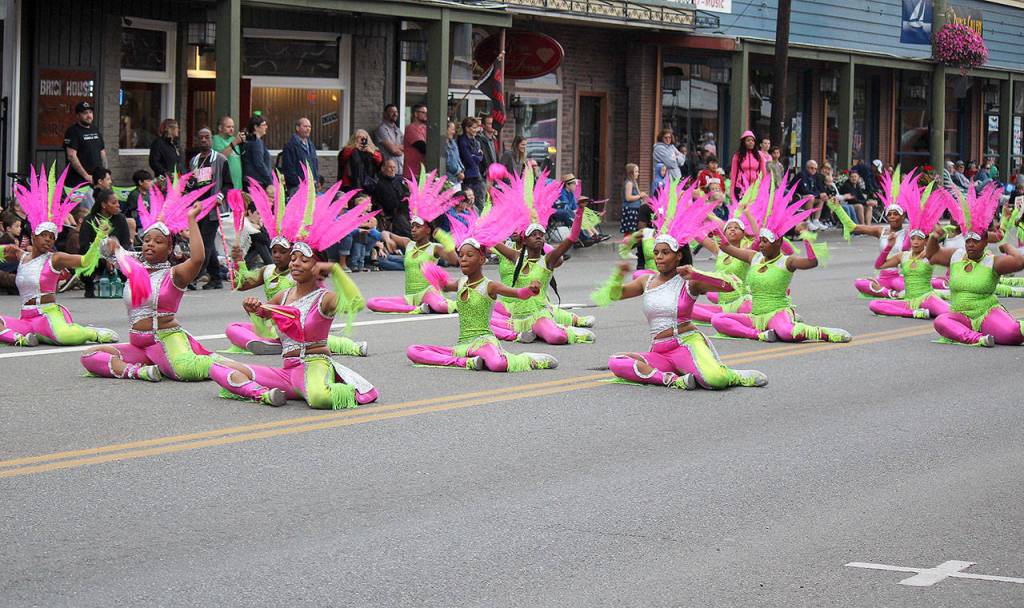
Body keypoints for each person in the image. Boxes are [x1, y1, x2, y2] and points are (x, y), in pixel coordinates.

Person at [208, 183, 380, 407]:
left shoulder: (324, 298)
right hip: (287, 372)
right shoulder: (283, 295)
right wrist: (253, 308)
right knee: (218, 366)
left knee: (319, 398)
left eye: (303, 259)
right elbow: (261, 323)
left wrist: (336, 270)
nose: (295, 263)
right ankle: (264, 394)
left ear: (317, 265)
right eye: (294, 258)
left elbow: (356, 304)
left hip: (315, 365)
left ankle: (345, 386)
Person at [592, 183, 767, 390]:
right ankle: (672, 379)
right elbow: (614, 295)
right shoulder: (646, 281)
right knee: (617, 362)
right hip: (660, 351)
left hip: (686, 344)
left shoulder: (689, 281)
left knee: (714, 381)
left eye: (665, 253)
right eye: (656, 252)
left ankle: (732, 375)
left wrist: (698, 274)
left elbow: (732, 286)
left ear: (678, 256)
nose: (659, 257)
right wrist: (618, 275)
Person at [80, 183, 221, 383]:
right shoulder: (134, 265)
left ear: (169, 247)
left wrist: (191, 219)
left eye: (158, 241)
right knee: (90, 356)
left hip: (164, 339)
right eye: (147, 240)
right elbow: (107, 250)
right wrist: (109, 241)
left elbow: (198, 259)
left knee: (185, 371)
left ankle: (229, 367)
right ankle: (140, 372)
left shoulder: (174, 274)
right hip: (139, 346)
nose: (150, 244)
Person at [405, 195, 558, 372]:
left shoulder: (490, 286)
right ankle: (466, 362)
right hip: (464, 345)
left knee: (498, 364)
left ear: (482, 259)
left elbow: (518, 293)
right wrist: (432, 272)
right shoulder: (461, 283)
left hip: (484, 343)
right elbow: (444, 285)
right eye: (461, 256)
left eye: (469, 256)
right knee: (413, 351)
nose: (463, 260)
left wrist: (530, 290)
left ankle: (528, 359)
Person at [226, 180, 367, 357]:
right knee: (233, 328)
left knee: (311, 336)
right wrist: (239, 263)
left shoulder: (306, 278)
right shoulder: (268, 271)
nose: (277, 256)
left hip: (305, 332)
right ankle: (275, 344)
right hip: (275, 330)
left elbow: (335, 303)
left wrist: (333, 269)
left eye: (283, 252)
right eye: (274, 251)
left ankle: (350, 346)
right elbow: (242, 286)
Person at [710, 184, 852, 343]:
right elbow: (727, 247)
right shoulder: (754, 257)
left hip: (777, 313)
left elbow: (812, 262)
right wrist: (714, 226)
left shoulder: (787, 261)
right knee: (718, 319)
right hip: (756, 317)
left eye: (765, 242)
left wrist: (805, 237)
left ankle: (822, 332)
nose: (761, 245)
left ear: (778, 243)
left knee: (786, 333)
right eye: (760, 241)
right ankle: (758, 334)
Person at [0, 165, 118, 347]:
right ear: (33, 236)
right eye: (44, 236)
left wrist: (99, 239)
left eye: (52, 237)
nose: (48, 240)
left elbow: (85, 261)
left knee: (64, 338)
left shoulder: (55, 258)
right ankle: (21, 338)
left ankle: (91, 332)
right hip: (26, 318)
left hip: (48, 316)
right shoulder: (20, 256)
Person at [489, 170, 596, 345]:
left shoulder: (547, 260)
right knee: (484, 321)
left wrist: (579, 213)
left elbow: (571, 239)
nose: (539, 236)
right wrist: (494, 209)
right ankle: (529, 332)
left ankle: (568, 330)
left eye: (541, 234)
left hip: (539, 315)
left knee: (557, 338)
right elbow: (492, 240)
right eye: (534, 234)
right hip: (518, 317)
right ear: (524, 240)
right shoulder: (516, 257)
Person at [926, 184, 1024, 346]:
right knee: (941, 321)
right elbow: (932, 255)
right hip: (961, 316)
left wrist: (1007, 247)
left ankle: (986, 330)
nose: (971, 244)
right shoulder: (956, 255)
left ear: (985, 241)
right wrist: (933, 238)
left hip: (986, 313)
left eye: (976, 241)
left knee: (1013, 334)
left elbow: (1020, 262)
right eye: (968, 241)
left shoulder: (992, 262)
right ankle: (977, 338)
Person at [365, 171, 459, 314]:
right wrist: (387, 238)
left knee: (441, 307)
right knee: (372, 303)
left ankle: (458, 304)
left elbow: (454, 260)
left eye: (418, 227)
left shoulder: (435, 248)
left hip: (429, 293)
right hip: (411, 296)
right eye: (412, 226)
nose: (413, 230)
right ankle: (418, 309)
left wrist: (444, 239)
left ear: (427, 230)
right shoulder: (408, 243)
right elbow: (385, 233)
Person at [868, 182, 951, 319]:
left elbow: (945, 250)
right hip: (908, 301)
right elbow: (879, 265)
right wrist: (889, 246)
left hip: (927, 298)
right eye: (913, 239)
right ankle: (914, 313)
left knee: (949, 313)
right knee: (874, 304)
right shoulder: (903, 256)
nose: (916, 242)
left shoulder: (929, 255)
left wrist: (935, 238)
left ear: (925, 241)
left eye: (920, 239)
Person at [828, 169, 913, 299]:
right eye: (889, 214)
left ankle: (888, 292)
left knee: (912, 290)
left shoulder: (909, 233)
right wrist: (838, 209)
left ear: (903, 217)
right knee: (860, 283)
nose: (892, 217)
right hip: (883, 277)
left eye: (896, 214)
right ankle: (890, 293)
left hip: (899, 277)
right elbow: (853, 227)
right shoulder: (880, 230)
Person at [188, 128, 228, 290]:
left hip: (212, 209)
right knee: (208, 244)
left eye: (207, 137)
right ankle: (216, 278)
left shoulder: (220, 159)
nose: (204, 140)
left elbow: (228, 184)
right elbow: (192, 184)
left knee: (204, 244)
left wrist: (220, 197)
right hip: (198, 209)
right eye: (201, 137)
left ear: (212, 140)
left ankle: (193, 276)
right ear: (197, 140)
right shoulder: (194, 161)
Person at [79, 188, 132, 298]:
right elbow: (84, 246)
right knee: (85, 261)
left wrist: (114, 257)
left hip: (117, 255)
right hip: (96, 257)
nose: (118, 205)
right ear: (103, 205)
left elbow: (126, 243)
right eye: (114, 203)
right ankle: (89, 287)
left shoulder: (120, 219)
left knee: (130, 257)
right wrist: (103, 258)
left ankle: (127, 286)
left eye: (118, 202)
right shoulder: (90, 220)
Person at [63, 101, 106, 187]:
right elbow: (71, 156)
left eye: (90, 112)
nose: (89, 116)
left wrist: (105, 173)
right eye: (85, 113)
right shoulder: (72, 131)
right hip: (79, 181)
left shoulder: (95, 130)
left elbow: (102, 152)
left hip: (97, 180)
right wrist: (86, 176)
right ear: (78, 116)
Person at [369, 159, 411, 237]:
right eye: (390, 167)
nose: (392, 170)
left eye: (394, 167)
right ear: (383, 169)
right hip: (392, 213)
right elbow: (386, 202)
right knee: (403, 223)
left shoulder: (399, 179)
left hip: (406, 211)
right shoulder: (379, 184)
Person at [281, 117, 318, 196]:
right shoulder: (290, 146)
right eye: (305, 126)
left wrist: (315, 180)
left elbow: (315, 165)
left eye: (309, 127)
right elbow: (288, 168)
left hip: (311, 187)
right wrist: (299, 183)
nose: (308, 129)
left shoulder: (311, 145)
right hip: (297, 188)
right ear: (297, 128)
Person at [729, 130, 767, 198]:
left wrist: (764, 190)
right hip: (741, 188)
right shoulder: (737, 156)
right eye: (748, 140)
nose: (751, 142)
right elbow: (733, 175)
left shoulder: (759, 155)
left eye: (752, 140)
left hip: (755, 188)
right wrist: (731, 194)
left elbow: (764, 174)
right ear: (744, 142)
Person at [211, 116, 245, 191]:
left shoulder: (233, 139)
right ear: (220, 128)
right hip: (225, 186)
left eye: (233, 127)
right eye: (228, 127)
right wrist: (235, 142)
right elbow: (220, 157)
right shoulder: (216, 139)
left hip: (237, 185)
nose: (232, 129)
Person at [458, 116, 485, 206]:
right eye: (473, 127)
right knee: (469, 204)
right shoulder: (462, 141)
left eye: (476, 128)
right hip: (468, 177)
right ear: (467, 128)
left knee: (480, 203)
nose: (476, 130)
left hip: (477, 176)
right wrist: (477, 156)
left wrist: (477, 156)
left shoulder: (476, 141)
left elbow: (481, 157)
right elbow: (469, 160)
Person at [241, 115, 273, 190]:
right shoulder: (256, 142)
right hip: (256, 182)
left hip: (250, 180)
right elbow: (259, 163)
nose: (266, 127)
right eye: (264, 125)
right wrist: (269, 181)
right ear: (256, 127)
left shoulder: (249, 140)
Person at [795, 160, 828, 230]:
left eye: (815, 169)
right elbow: (805, 191)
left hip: (806, 198)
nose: (814, 170)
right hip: (796, 198)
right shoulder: (802, 175)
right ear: (807, 168)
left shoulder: (814, 176)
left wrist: (821, 195)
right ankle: (807, 221)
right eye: (811, 168)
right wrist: (818, 195)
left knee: (821, 198)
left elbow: (816, 189)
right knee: (810, 197)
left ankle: (816, 220)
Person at [374, 103, 404, 175]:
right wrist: (399, 148)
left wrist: (394, 146)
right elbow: (394, 151)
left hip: (400, 170)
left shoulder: (398, 130)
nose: (395, 114)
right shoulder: (382, 129)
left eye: (396, 112)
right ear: (385, 114)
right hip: (387, 172)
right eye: (392, 112)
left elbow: (406, 147)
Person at [620, 163, 647, 235]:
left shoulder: (634, 182)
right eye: (636, 172)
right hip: (630, 210)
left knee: (634, 231)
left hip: (635, 209)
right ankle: (626, 245)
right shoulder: (629, 183)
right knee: (630, 232)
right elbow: (628, 198)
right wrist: (640, 196)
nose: (638, 173)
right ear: (631, 173)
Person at [403, 103, 428, 179]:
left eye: (426, 113)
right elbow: (422, 147)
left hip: (423, 171)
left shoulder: (426, 128)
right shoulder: (411, 128)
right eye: (423, 112)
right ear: (416, 114)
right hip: (413, 172)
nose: (426, 115)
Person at [445, 121, 465, 189]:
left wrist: (462, 170)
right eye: (452, 129)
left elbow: (457, 158)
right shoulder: (443, 144)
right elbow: (449, 162)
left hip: (457, 180)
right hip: (449, 180)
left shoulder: (453, 142)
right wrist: (458, 173)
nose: (454, 132)